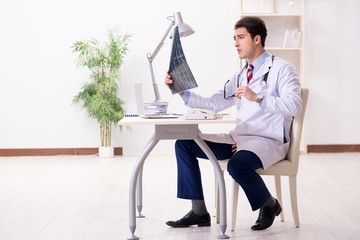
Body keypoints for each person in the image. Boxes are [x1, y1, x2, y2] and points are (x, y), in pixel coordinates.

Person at [164, 16, 303, 231]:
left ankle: (268, 204)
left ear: (257, 39)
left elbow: (294, 105)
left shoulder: (282, 69)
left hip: (267, 141)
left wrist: (257, 97)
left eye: (241, 37)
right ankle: (199, 212)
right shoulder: (240, 75)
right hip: (239, 139)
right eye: (234, 38)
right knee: (184, 144)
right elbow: (213, 103)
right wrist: (181, 90)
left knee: (236, 165)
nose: (236, 43)